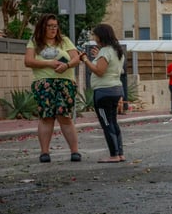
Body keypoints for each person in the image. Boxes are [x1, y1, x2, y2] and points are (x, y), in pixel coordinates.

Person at [23, 14, 82, 163]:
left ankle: (75, 151)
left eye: (55, 26)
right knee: (46, 116)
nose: (53, 29)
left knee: (65, 116)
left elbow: (76, 58)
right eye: (50, 26)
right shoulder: (35, 42)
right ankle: (44, 152)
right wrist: (49, 63)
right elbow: (28, 61)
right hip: (44, 83)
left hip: (65, 82)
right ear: (43, 27)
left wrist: (66, 65)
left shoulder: (65, 41)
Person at [79, 24, 125, 163]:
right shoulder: (116, 50)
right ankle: (120, 153)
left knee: (106, 123)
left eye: (95, 35)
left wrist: (86, 60)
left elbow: (100, 71)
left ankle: (114, 155)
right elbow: (110, 67)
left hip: (104, 92)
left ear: (101, 36)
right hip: (116, 89)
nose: (94, 37)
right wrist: (97, 55)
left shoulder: (105, 51)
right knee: (113, 122)